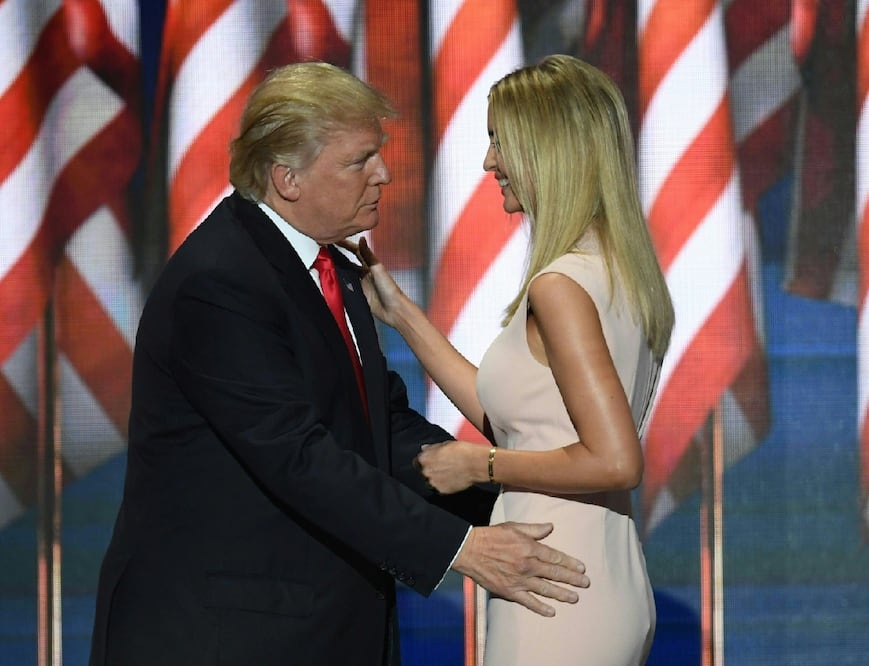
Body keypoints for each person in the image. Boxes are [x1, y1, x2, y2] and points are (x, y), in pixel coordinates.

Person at [88, 61, 590, 666]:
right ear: (287, 178)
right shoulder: (220, 283)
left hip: (314, 629)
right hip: (225, 637)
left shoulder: (336, 271)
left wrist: (508, 499)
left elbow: (383, 428)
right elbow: (301, 458)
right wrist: (463, 547)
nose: (384, 174)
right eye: (360, 161)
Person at [353, 54, 675, 665]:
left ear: (546, 148)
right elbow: (525, 419)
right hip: (595, 574)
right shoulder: (619, 271)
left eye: (500, 140)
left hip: (555, 588)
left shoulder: (560, 287)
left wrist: (479, 464)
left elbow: (613, 459)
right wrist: (401, 314)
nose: (488, 161)